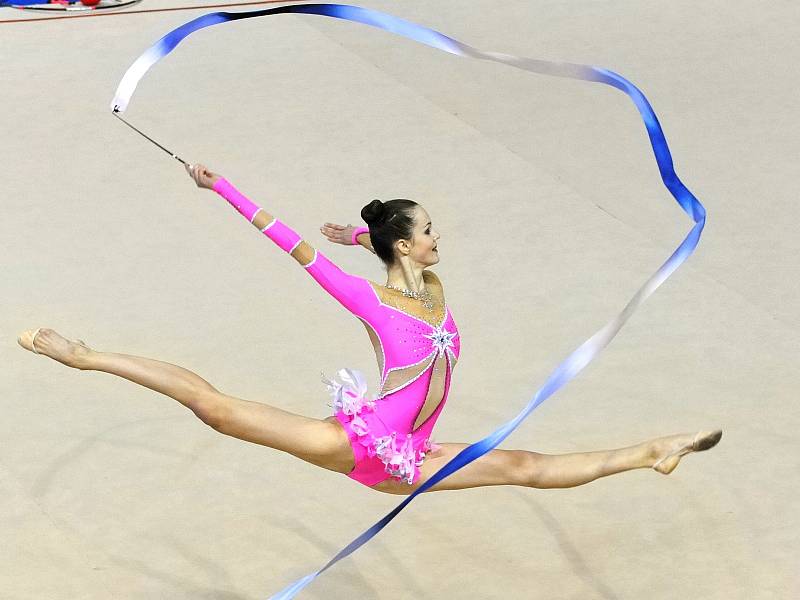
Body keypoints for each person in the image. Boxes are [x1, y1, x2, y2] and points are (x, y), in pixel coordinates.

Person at [18, 164, 721, 496]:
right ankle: (86, 357)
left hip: (411, 454)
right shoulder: (365, 298)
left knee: (528, 468)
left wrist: (364, 233)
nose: (438, 239)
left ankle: (653, 450)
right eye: (429, 232)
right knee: (218, 410)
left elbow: (393, 257)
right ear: (409, 246)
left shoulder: (434, 288)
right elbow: (286, 241)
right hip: (358, 441)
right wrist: (223, 186)